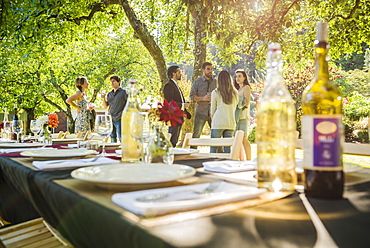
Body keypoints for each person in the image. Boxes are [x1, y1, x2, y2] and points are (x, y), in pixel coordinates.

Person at [210, 71, 238, 153]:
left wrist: (213, 121)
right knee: (227, 149)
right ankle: (227, 163)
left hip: (218, 123)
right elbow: (234, 108)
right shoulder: (235, 93)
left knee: (213, 148)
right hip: (230, 123)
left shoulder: (215, 92)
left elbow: (212, 110)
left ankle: (211, 164)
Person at [190, 62, 217, 141]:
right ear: (203, 70)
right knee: (196, 135)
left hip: (213, 113)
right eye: (208, 69)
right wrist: (203, 98)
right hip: (201, 112)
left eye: (211, 69)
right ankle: (192, 152)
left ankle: (219, 153)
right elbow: (192, 97)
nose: (210, 71)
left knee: (216, 136)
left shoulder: (216, 82)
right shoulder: (197, 82)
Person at [163, 66, 189, 147]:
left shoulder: (176, 85)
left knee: (174, 140)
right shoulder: (169, 86)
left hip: (178, 117)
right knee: (171, 141)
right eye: (179, 72)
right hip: (173, 117)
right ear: (173, 73)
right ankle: (169, 157)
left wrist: (185, 110)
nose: (181, 74)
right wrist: (182, 105)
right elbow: (169, 102)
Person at [100, 75, 128, 143]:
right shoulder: (109, 94)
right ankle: (113, 152)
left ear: (119, 82)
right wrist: (103, 98)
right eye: (111, 82)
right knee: (112, 138)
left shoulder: (124, 92)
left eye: (114, 81)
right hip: (110, 118)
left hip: (119, 118)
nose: (112, 83)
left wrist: (122, 114)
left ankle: (123, 152)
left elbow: (128, 105)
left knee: (121, 137)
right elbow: (105, 106)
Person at [234, 69, 252, 160]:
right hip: (236, 117)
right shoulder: (236, 89)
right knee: (237, 139)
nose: (237, 78)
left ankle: (249, 159)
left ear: (244, 77)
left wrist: (238, 103)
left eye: (239, 76)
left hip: (243, 116)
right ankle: (240, 159)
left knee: (244, 139)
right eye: (236, 76)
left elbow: (247, 102)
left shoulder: (246, 88)